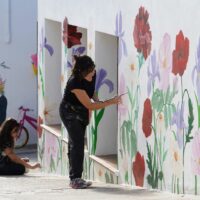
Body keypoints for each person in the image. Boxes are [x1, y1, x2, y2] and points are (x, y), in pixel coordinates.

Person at [59, 55, 122, 189]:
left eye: (94, 69)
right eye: (91, 70)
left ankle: (74, 177)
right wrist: (111, 101)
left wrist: (99, 101)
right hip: (69, 112)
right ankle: (75, 179)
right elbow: (90, 105)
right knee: (78, 143)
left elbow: (93, 94)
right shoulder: (74, 83)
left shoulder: (92, 76)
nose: (94, 72)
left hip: (81, 112)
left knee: (74, 143)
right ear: (83, 71)